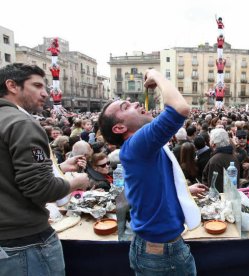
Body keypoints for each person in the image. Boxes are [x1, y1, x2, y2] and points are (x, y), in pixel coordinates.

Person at [98, 69, 200, 275]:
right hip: (164, 255)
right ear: (119, 128)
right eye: (126, 106)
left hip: (153, 249)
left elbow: (153, 183)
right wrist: (156, 74)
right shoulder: (138, 144)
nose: (136, 103)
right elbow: (180, 108)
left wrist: (184, 191)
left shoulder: (141, 148)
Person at [0, 63, 89, 275]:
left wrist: (58, 168)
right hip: (25, 243)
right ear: (12, 85)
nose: (45, 93)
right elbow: (40, 188)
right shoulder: (21, 123)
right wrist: (76, 181)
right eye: (37, 86)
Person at [202, 128, 239, 192]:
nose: (209, 142)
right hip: (231, 195)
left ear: (213, 144)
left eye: (210, 140)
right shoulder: (233, 157)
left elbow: (214, 186)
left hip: (222, 198)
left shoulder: (215, 160)